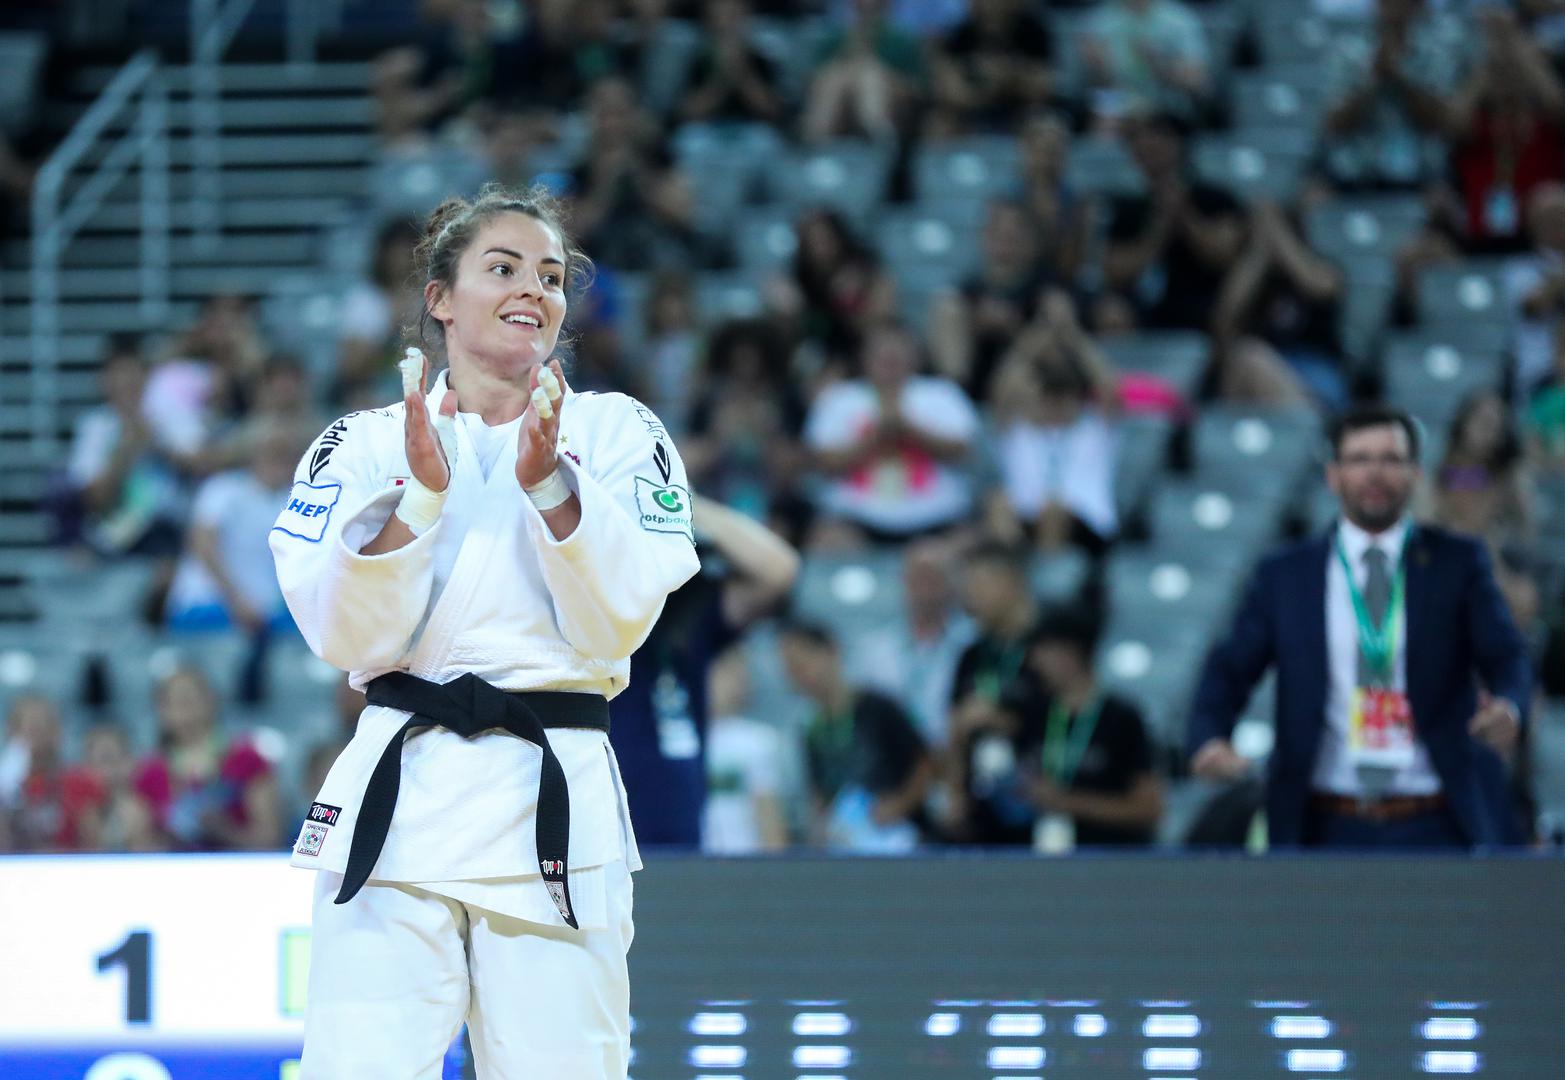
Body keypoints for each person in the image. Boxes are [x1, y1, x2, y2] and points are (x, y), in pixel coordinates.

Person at [269, 183, 699, 1078]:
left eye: (550, 276)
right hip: (397, 807)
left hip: (552, 801)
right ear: (440, 298)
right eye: (502, 268)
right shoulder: (363, 442)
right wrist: (420, 499)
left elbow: (622, 616)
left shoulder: (617, 431)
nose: (532, 289)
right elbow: (345, 637)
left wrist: (550, 486)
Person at [1187, 405, 1532, 850]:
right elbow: (1231, 665)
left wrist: (1509, 705)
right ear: (1333, 475)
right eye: (1359, 459)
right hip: (1323, 820)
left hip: (1434, 816)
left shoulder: (1457, 563)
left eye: (1390, 459)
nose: (1375, 473)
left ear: (1415, 474)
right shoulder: (1286, 575)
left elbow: (1506, 655)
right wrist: (1209, 736)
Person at [609, 493, 799, 849]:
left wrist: (676, 502)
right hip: (606, 826)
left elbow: (779, 569)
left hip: (683, 827)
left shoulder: (691, 612)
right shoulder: (591, 603)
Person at [1008, 609, 1162, 848]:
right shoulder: (1033, 715)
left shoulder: (1122, 718)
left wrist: (1065, 802)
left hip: (1107, 855)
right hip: (1037, 854)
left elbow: (1148, 808)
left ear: (1070, 653)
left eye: (1042, 650)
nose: (1034, 662)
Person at [778, 619, 934, 852]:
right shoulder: (812, 729)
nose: (800, 677)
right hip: (848, 843)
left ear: (831, 651)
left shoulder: (880, 708)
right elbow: (819, 794)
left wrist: (898, 805)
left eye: (802, 665)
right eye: (791, 671)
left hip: (900, 840)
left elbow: (926, 764)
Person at [131, 666, 280, 852]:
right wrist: (170, 837)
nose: (183, 708)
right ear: (161, 710)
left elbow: (270, 838)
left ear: (211, 700)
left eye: (189, 698)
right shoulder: (148, 772)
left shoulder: (248, 760)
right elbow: (139, 846)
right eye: (173, 701)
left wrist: (225, 830)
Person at [701, 645, 791, 854]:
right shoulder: (681, 740)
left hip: (744, 860)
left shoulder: (757, 741)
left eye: (738, 670)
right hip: (691, 861)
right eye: (722, 669)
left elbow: (768, 815)